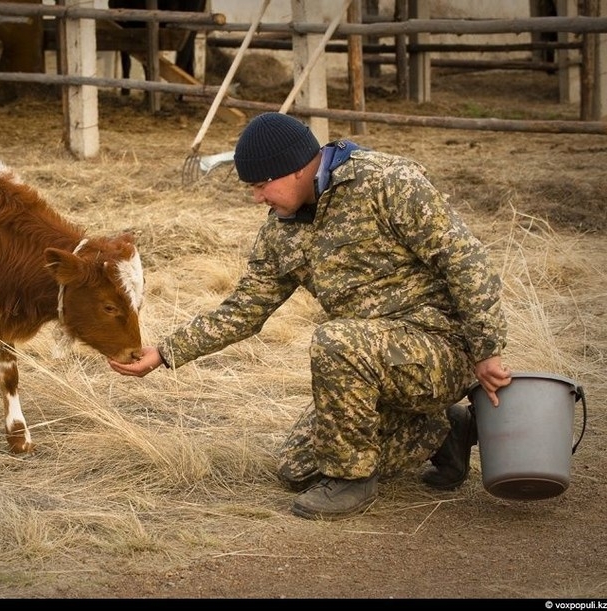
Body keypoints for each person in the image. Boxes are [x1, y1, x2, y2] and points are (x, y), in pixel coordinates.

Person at [108, 112, 512, 520]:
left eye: (262, 185)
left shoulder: (389, 182)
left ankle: (353, 481)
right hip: (372, 360)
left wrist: (486, 349)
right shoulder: (282, 229)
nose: (258, 198)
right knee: (296, 468)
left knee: (335, 343)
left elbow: (466, 262)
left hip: (440, 347)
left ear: (299, 168)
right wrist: (164, 352)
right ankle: (443, 431)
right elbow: (244, 309)